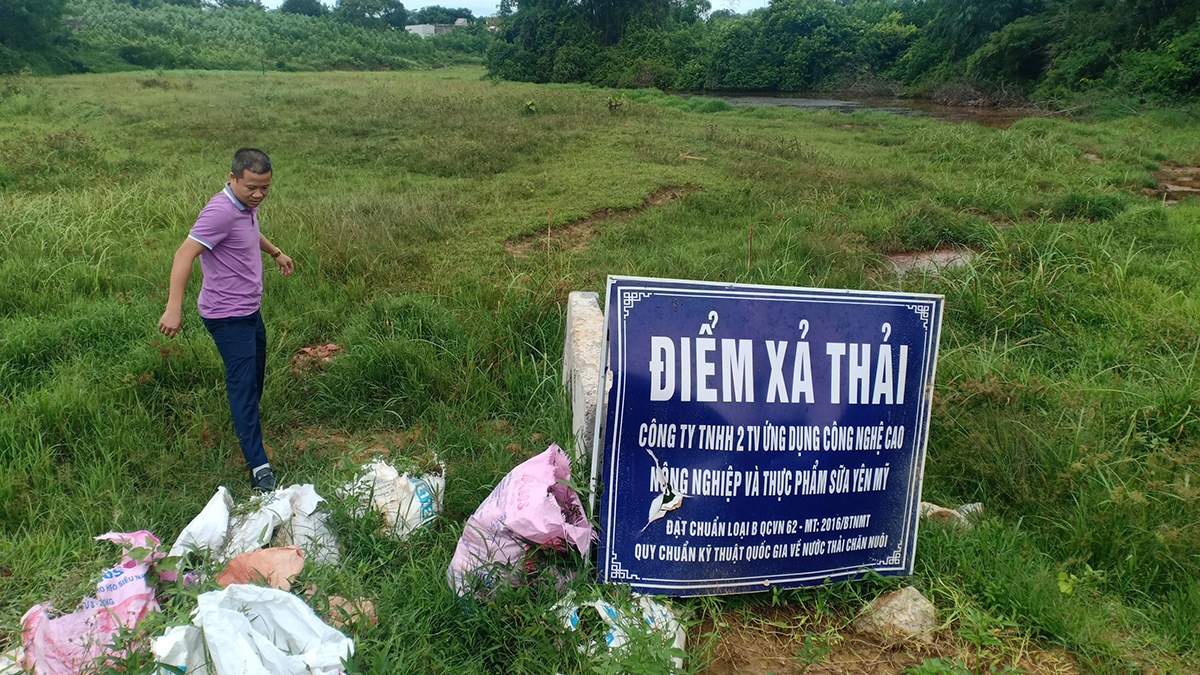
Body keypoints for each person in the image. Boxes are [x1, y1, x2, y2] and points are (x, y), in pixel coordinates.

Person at [158, 148, 294, 491]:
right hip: (227, 316)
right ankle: (258, 464)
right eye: (252, 187)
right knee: (243, 385)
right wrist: (174, 308)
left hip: (249, 310)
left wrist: (276, 252)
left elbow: (249, 233)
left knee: (255, 375)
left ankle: (248, 428)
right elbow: (183, 254)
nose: (259, 194)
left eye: (266, 187)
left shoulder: (245, 206)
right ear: (232, 178)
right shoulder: (219, 211)